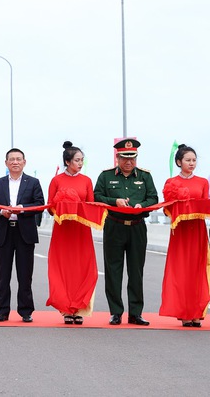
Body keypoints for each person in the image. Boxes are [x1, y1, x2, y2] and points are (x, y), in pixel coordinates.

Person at [94, 138, 158, 326]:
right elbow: (96, 196)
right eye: (124, 158)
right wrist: (115, 201)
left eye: (132, 158)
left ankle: (135, 313)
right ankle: (116, 312)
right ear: (117, 158)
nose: (128, 162)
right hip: (114, 226)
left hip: (137, 226)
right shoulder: (106, 176)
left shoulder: (145, 177)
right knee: (113, 270)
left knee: (136, 271)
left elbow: (153, 197)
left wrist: (142, 205)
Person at [0, 148, 44, 323]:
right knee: (3, 274)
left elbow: (40, 204)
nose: (15, 162)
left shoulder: (33, 182)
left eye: (19, 159)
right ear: (6, 163)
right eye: (12, 159)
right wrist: (0, 211)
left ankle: (26, 311)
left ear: (24, 162)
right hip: (4, 230)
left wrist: (22, 208)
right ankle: (2, 311)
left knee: (25, 274)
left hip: (24, 230)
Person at [45, 142, 97, 325]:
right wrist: (63, 208)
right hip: (63, 230)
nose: (80, 163)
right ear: (67, 161)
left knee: (82, 268)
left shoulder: (87, 181)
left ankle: (79, 308)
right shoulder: (56, 180)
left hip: (81, 230)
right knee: (64, 268)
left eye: (82, 160)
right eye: (77, 160)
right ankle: (66, 308)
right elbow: (50, 206)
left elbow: (91, 204)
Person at [160, 144, 209, 327]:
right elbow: (167, 209)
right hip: (180, 231)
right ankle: (183, 312)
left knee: (197, 271)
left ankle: (197, 312)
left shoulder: (203, 181)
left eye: (194, 160)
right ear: (179, 162)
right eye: (188, 160)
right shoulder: (171, 183)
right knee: (182, 271)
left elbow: (204, 205)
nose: (191, 163)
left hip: (197, 230)